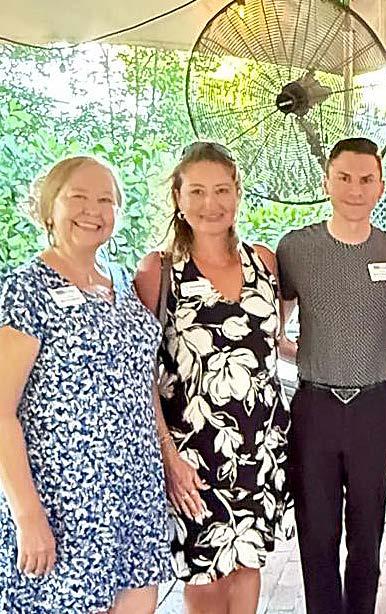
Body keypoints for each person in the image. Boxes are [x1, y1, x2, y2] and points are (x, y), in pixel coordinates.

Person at [0, 155, 173, 613]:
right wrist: (27, 514)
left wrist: (166, 455)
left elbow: (139, 379)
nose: (92, 210)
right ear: (49, 206)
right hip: (65, 499)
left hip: (135, 490)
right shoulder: (27, 289)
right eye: (78, 197)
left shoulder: (120, 281)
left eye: (105, 200)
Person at [135, 141, 295, 614]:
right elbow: (142, 374)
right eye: (198, 191)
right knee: (204, 573)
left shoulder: (264, 261)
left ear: (237, 193)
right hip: (194, 450)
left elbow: (271, 341)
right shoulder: (159, 271)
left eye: (222, 190)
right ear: (178, 198)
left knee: (247, 560)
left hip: (261, 442)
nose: (211, 203)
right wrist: (169, 458)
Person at [276, 137, 386, 614]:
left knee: (367, 536)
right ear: (327, 182)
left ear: (380, 187)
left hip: (375, 408)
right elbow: (273, 326)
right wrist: (306, 354)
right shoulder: (296, 249)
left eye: (366, 179)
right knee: (317, 535)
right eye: (345, 178)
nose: (355, 189)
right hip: (315, 409)